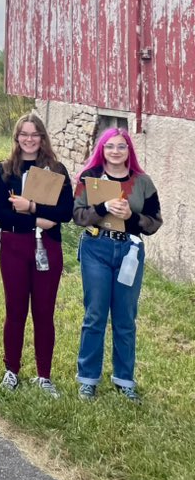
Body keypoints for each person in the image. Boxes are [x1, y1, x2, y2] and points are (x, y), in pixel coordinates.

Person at [73, 128, 162, 402]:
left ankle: (124, 380)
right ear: (102, 149)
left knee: (125, 318)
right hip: (96, 248)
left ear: (128, 151)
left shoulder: (143, 182)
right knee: (95, 314)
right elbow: (76, 215)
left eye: (121, 147)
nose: (115, 151)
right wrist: (102, 208)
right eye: (110, 146)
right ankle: (88, 379)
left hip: (129, 251)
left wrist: (132, 216)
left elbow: (155, 221)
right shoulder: (89, 178)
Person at [0, 113, 73, 397]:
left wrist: (32, 206)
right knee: (15, 311)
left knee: (44, 312)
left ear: (42, 137)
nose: (29, 139)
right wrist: (37, 220)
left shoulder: (56, 169)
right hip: (14, 245)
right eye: (23, 134)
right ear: (16, 137)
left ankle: (44, 375)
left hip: (47, 247)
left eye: (34, 134)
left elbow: (65, 212)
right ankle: (11, 370)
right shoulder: (3, 170)